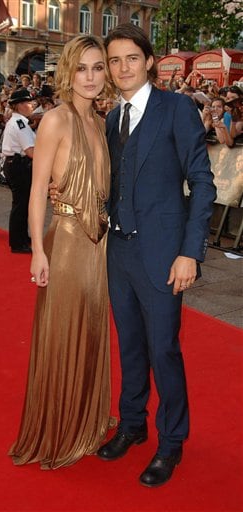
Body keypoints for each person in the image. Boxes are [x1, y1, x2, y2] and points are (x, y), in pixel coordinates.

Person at [50, 23, 216, 487]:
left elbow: (202, 184)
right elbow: (112, 187)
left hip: (164, 254)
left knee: (163, 348)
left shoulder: (177, 109)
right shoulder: (109, 117)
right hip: (117, 252)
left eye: (130, 59)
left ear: (149, 62)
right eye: (113, 61)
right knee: (130, 345)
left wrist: (190, 253)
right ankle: (132, 424)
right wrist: (68, 196)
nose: (121, 69)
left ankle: (171, 442)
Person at [8, 35, 114, 469]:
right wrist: (37, 249)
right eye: (82, 68)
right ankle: (59, 426)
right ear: (68, 71)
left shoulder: (102, 123)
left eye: (98, 68)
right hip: (67, 241)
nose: (90, 77)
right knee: (63, 332)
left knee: (91, 331)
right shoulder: (55, 119)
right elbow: (36, 192)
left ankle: (87, 417)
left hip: (100, 244)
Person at [2, 88, 36, 253]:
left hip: (16, 165)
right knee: (20, 205)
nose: (31, 105)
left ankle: (21, 236)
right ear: (20, 105)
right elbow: (30, 151)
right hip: (19, 166)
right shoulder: (20, 123)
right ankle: (17, 242)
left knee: (22, 204)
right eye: (28, 102)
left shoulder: (19, 121)